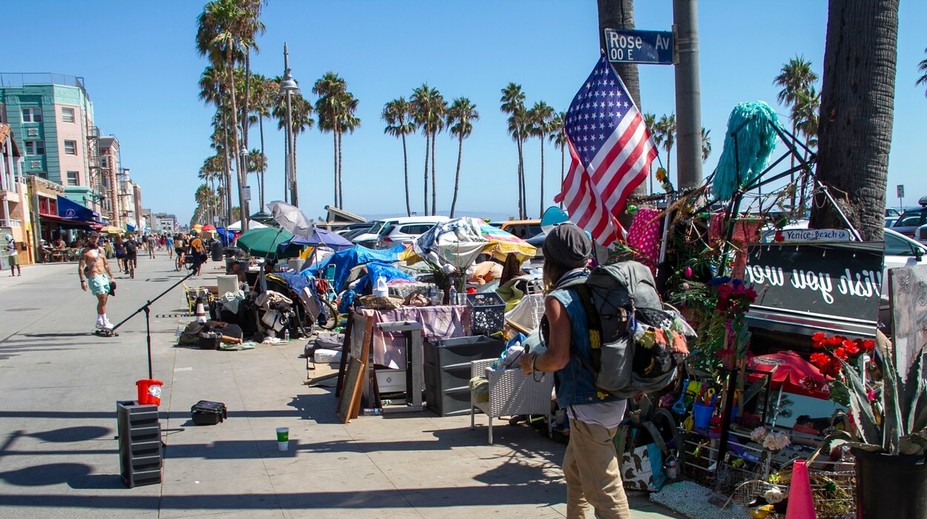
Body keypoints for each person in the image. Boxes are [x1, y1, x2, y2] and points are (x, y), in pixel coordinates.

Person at [519, 224, 631, 518]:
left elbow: (557, 359)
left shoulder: (559, 298)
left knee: (604, 490)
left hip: (586, 401)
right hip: (616, 391)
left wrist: (531, 363)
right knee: (575, 468)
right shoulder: (602, 286)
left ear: (552, 260)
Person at [78, 231, 115, 330]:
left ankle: (101, 320)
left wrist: (111, 277)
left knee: (105, 299)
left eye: (96, 237)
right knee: (102, 298)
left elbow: (106, 264)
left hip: (103, 277)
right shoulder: (85, 252)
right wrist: (82, 281)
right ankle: (102, 321)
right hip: (94, 277)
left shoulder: (101, 250)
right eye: (92, 237)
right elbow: (81, 267)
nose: (94, 239)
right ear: (89, 238)